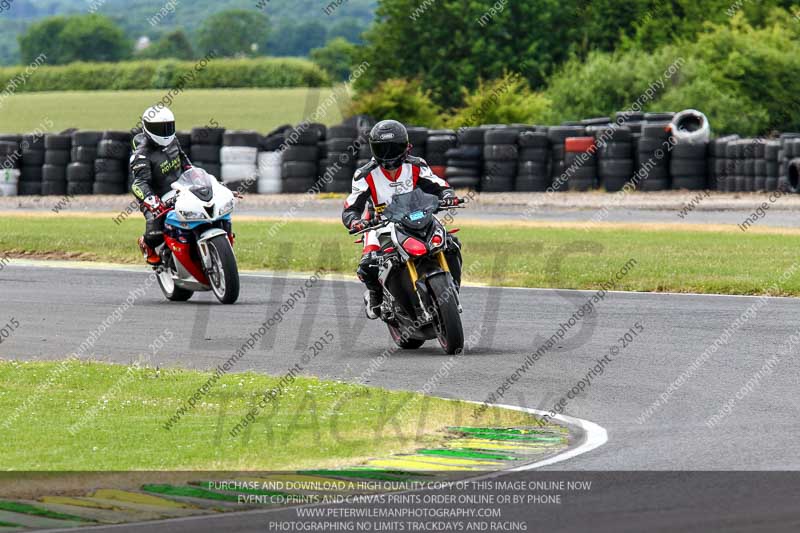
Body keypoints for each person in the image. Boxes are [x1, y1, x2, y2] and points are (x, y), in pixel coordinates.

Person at [342, 119, 461, 319]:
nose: (389, 154)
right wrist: (355, 221)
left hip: (418, 216)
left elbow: (438, 184)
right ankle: (375, 295)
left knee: (451, 245)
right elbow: (351, 206)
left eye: (394, 147)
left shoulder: (416, 165)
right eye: (383, 149)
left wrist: (448, 195)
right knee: (368, 264)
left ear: (406, 146)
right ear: (373, 149)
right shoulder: (364, 174)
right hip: (380, 224)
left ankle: (453, 288)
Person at [130, 106, 193, 265]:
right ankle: (145, 243)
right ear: (147, 128)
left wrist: (198, 178)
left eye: (168, 127)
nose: (165, 132)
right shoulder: (141, 155)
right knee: (155, 234)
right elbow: (139, 183)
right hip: (156, 197)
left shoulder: (174, 141)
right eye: (159, 128)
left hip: (181, 189)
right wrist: (152, 201)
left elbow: (185, 162)